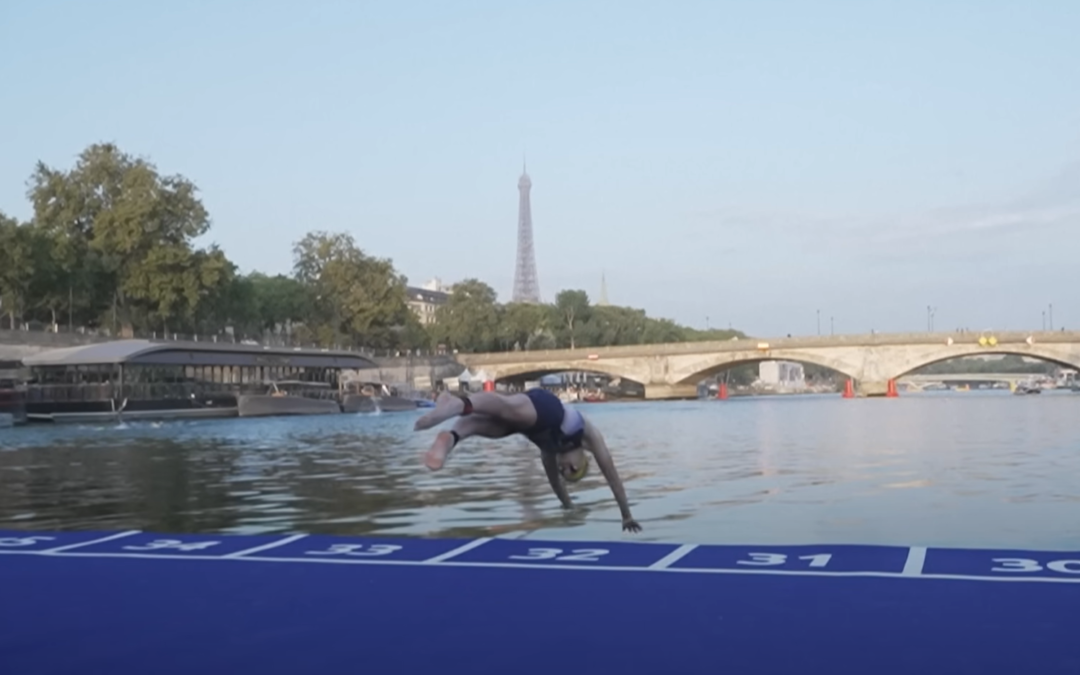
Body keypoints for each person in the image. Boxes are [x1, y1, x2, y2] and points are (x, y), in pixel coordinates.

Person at [414, 388, 642, 532]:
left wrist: (569, 507)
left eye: (565, 472)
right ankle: (459, 405)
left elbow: (556, 486)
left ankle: (450, 439)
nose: (565, 468)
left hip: (525, 427)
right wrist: (627, 515)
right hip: (544, 408)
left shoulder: (548, 453)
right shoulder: (588, 437)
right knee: (507, 408)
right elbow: (613, 478)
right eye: (573, 469)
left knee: (482, 426)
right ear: (582, 460)